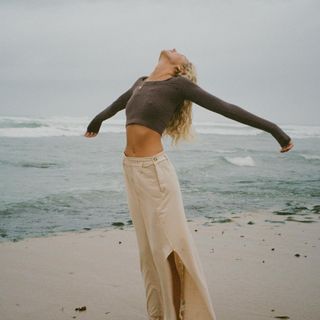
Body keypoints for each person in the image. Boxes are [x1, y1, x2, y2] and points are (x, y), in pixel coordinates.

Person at [84, 48, 294, 320]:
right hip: (131, 171)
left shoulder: (179, 84)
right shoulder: (141, 82)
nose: (174, 49)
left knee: (168, 248)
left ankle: (179, 315)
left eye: (180, 53)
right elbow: (116, 105)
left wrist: (276, 131)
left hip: (155, 174)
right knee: (148, 250)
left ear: (179, 68)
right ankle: (160, 313)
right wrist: (97, 121)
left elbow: (227, 108)